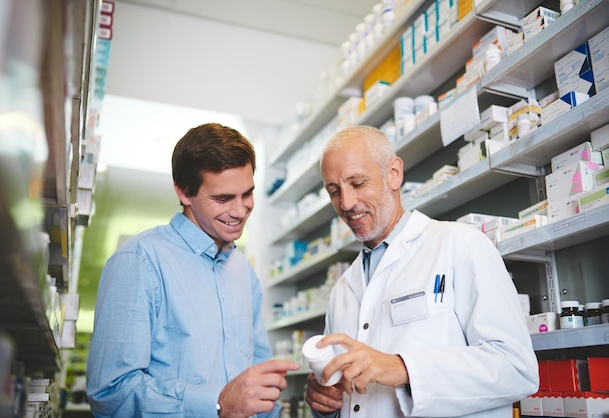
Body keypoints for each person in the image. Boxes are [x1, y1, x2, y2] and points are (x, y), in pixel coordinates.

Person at [304, 125, 539, 417]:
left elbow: (517, 368)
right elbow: (350, 400)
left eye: (358, 182)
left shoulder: (460, 245)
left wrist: (403, 368)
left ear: (393, 173)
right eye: (334, 191)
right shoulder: (342, 289)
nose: (346, 203)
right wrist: (324, 403)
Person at [86, 123, 300, 418]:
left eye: (247, 194)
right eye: (223, 199)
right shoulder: (139, 260)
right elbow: (111, 393)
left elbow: (258, 384)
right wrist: (218, 402)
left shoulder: (243, 272)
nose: (240, 211)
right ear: (184, 192)